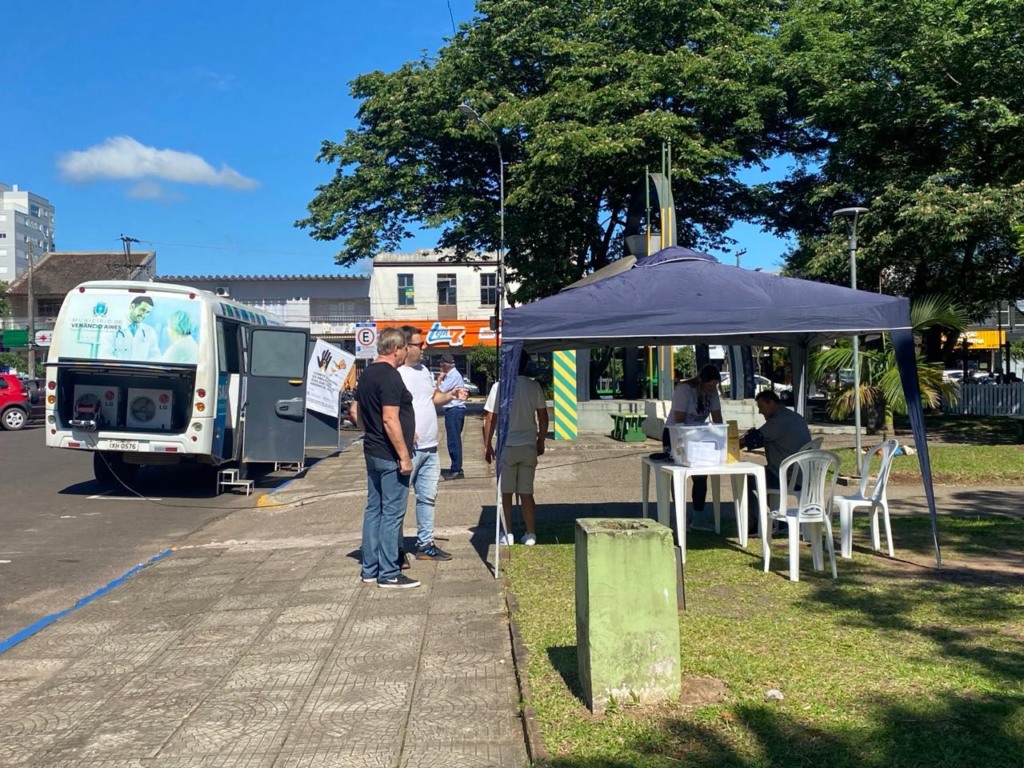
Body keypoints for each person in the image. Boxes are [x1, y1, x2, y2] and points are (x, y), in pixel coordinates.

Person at [350, 327, 419, 588]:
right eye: (404, 349)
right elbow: (390, 418)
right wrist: (404, 455)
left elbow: (355, 412)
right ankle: (389, 572)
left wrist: (373, 432)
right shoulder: (390, 376)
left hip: (372, 449)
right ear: (395, 349)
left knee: (373, 510)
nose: (405, 354)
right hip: (390, 454)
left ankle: (369, 568)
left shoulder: (366, 374)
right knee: (392, 513)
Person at [397, 325, 467, 563]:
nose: (423, 348)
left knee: (427, 497)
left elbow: (431, 398)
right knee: (399, 500)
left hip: (429, 447)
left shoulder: (424, 370)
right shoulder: (396, 373)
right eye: (419, 344)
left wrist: (452, 395)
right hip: (408, 448)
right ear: (405, 347)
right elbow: (389, 409)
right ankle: (396, 549)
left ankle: (425, 545)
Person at [482, 355, 548, 545]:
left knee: (506, 492)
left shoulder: (499, 387)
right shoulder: (533, 386)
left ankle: (507, 532)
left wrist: (487, 445)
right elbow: (543, 418)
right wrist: (541, 440)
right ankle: (531, 533)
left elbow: (490, 418)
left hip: (507, 446)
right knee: (527, 492)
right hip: (528, 445)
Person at [740, 389, 812, 532]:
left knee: (749, 480)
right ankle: (778, 519)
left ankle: (754, 523)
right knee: (765, 474)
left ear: (771, 403)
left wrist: (731, 444)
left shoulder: (778, 421)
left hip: (788, 476)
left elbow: (753, 439)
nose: (760, 412)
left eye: (761, 407)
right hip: (805, 474)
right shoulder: (795, 417)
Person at [663, 364, 723, 530]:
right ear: (701, 381)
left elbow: (717, 418)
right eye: (709, 385)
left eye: (715, 386)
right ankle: (680, 516)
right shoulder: (684, 389)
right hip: (676, 434)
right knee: (678, 473)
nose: (712, 389)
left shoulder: (713, 393)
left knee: (701, 475)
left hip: (699, 435)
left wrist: (720, 436)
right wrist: (684, 442)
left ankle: (698, 516)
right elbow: (679, 418)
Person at [437, 353, 467, 480]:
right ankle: (455, 467)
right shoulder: (453, 374)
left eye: (441, 364)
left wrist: (439, 379)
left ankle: (457, 469)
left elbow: (441, 390)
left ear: (445, 364)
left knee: (453, 440)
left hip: (454, 410)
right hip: (454, 410)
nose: (440, 366)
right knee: (453, 439)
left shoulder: (453, 375)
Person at [101, 296, 160, 360]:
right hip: (117, 369)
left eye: (147, 312)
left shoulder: (150, 331)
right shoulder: (112, 327)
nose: (144, 315)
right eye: (142, 310)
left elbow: (155, 356)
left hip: (141, 369)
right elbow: (105, 355)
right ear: (132, 306)